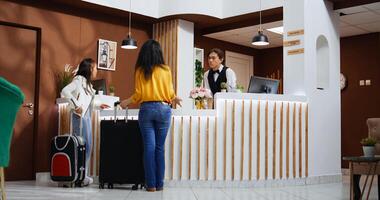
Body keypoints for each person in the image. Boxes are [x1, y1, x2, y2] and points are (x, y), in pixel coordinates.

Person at [120, 39, 182, 192]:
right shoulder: (166, 70)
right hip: (163, 109)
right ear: (159, 53)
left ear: (143, 54)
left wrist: (126, 101)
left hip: (146, 109)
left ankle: (151, 185)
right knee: (159, 149)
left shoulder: (140, 70)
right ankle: (160, 185)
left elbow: (139, 94)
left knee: (149, 148)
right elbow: (169, 93)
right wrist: (174, 98)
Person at [61, 58, 109, 186]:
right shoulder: (78, 81)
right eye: (95, 68)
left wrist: (100, 106)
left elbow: (89, 102)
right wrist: (76, 105)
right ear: (89, 69)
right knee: (81, 147)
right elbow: (64, 91)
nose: (96, 70)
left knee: (87, 147)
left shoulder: (88, 84)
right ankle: (78, 176)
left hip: (86, 116)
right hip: (80, 117)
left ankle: (82, 175)